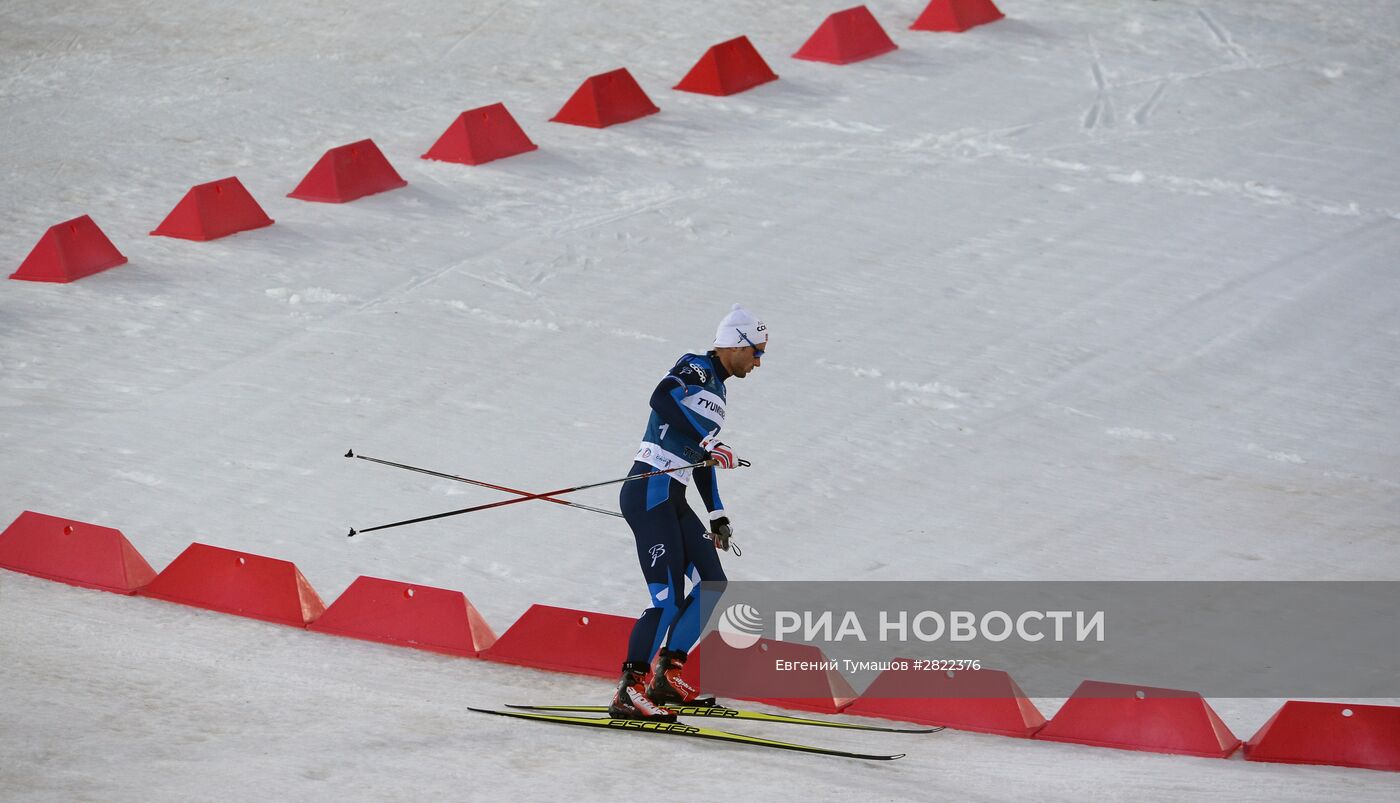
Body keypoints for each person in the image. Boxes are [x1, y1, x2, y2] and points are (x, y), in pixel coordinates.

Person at [608, 303, 768, 721]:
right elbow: (661, 397)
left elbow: (701, 458)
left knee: (713, 585)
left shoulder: (720, 391)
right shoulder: (696, 367)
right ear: (737, 344)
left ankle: (666, 676)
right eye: (757, 352)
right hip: (649, 487)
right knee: (666, 600)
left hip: (674, 494)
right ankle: (629, 689)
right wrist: (709, 443)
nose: (758, 362)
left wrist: (716, 513)